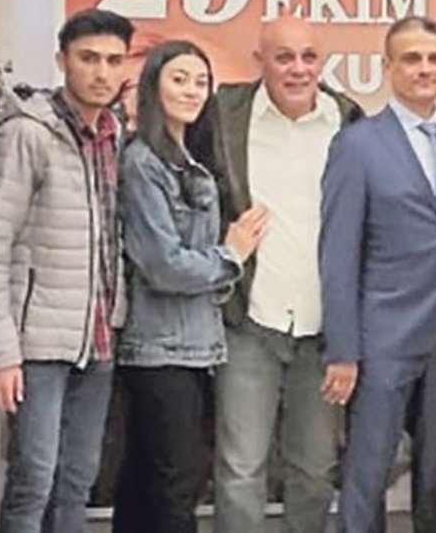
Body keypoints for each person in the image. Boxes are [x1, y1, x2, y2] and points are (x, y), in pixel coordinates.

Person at [184, 17, 363, 533]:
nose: (298, 69)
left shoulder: (349, 120)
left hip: (324, 331)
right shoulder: (223, 113)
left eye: (309, 56)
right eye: (284, 57)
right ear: (259, 61)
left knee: (315, 471)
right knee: (240, 470)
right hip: (249, 322)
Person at [0, 8, 133, 533]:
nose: (102, 72)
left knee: (78, 482)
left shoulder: (115, 132)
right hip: (38, 340)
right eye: (89, 58)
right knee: (32, 482)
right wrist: (0, 352)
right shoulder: (29, 132)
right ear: (62, 61)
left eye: (113, 60)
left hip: (100, 336)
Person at [320, 16, 436, 533]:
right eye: (411, 58)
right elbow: (338, 253)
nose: (424, 69)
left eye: (434, 58)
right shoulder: (358, 144)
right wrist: (343, 350)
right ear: (387, 67)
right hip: (381, 340)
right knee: (368, 477)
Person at [111, 40, 268, 532]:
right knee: (175, 483)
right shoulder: (143, 161)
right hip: (160, 349)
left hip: (196, 346)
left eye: (201, 82)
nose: (192, 91)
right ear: (152, 86)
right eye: (179, 79)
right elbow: (164, 265)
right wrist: (231, 255)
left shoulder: (189, 159)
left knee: (147, 480)